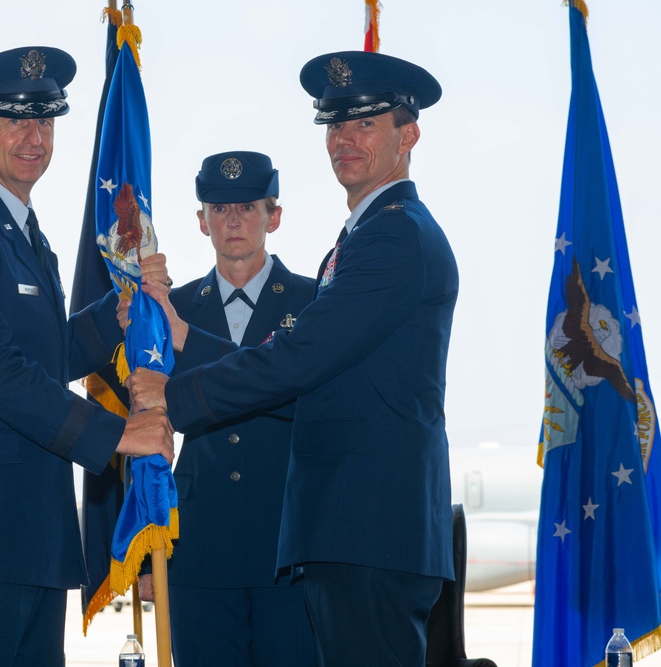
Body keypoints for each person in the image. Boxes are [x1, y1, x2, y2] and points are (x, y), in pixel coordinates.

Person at [127, 51, 458, 667]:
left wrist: (172, 398)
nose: (345, 140)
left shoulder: (394, 235)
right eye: (335, 125)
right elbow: (312, 375)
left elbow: (300, 358)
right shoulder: (367, 234)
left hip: (368, 534)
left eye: (365, 123)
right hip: (344, 535)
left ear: (409, 134)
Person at [0, 46, 174, 666]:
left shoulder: (18, 229)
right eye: (15, 119)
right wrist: (119, 433)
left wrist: (114, 318)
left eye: (44, 120)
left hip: (31, 536)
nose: (34, 136)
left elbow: (42, 352)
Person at [138, 151, 316, 666]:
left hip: (286, 543)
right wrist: (143, 548)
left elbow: (295, 396)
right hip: (196, 544)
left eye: (247, 207)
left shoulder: (314, 305)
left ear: (274, 216)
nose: (232, 220)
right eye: (218, 208)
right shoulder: (173, 309)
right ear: (201, 222)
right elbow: (144, 425)